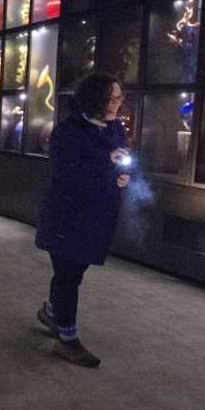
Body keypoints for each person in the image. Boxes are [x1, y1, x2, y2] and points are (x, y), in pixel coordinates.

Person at [34, 72, 130, 368]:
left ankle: (52, 312)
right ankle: (68, 340)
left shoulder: (114, 129)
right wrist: (107, 163)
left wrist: (125, 175)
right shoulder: (68, 131)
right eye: (112, 98)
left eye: (119, 97)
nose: (118, 103)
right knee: (68, 275)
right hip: (66, 218)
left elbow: (121, 161)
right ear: (96, 98)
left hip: (97, 218)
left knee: (73, 272)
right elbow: (67, 173)